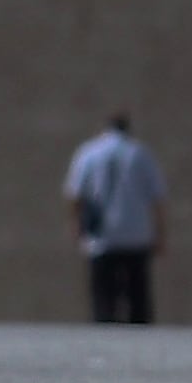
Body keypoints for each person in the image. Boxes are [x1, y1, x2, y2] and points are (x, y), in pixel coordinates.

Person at [65, 113, 165, 325]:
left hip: (101, 235)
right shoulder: (140, 153)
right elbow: (157, 197)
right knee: (137, 296)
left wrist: (76, 227)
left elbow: (75, 195)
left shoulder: (89, 152)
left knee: (103, 296)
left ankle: (105, 332)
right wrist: (160, 233)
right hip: (136, 234)